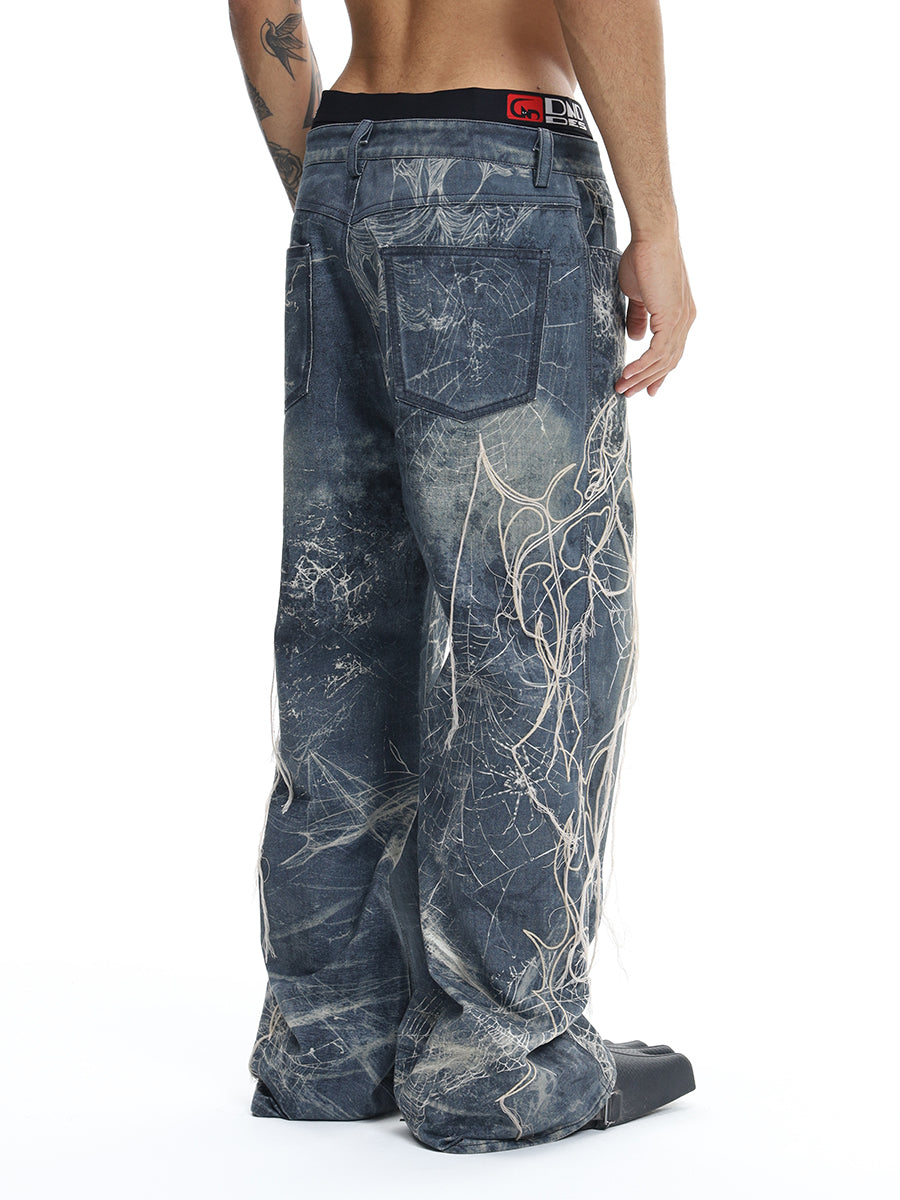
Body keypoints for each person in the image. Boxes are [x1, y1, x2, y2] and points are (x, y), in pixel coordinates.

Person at [228, 0, 697, 1154]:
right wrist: (658, 225)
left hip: (344, 162)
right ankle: (499, 1056)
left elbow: (261, 8)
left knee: (344, 620)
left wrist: (345, 193)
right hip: (500, 156)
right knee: (532, 622)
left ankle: (330, 1043)